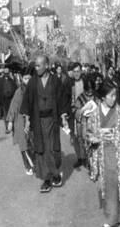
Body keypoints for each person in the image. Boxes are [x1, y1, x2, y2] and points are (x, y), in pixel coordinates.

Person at [84, 79, 120, 227]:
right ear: (102, 97)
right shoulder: (95, 114)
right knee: (110, 186)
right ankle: (115, 219)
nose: (114, 98)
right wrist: (92, 138)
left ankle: (113, 219)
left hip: (118, 152)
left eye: (115, 95)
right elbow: (88, 133)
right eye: (111, 96)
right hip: (103, 154)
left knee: (115, 185)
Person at [21, 54, 71, 193]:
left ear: (47, 65)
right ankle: (47, 179)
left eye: (39, 65)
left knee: (51, 148)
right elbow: (27, 102)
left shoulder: (55, 80)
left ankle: (55, 174)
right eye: (35, 65)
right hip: (38, 120)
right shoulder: (32, 82)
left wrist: (63, 117)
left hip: (52, 120)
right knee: (41, 149)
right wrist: (27, 121)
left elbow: (61, 100)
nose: (36, 68)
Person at [6, 66, 35, 176]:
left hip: (32, 120)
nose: (27, 80)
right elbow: (13, 107)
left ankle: (34, 163)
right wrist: (10, 121)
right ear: (22, 79)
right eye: (25, 78)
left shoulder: (34, 89)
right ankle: (28, 166)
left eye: (29, 78)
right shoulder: (19, 92)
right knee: (24, 146)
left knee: (33, 143)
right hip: (21, 121)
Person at [73, 77, 96, 169]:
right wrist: (83, 109)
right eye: (88, 89)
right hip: (83, 123)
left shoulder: (96, 97)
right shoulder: (80, 98)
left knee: (92, 142)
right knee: (81, 141)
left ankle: (91, 161)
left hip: (93, 123)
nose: (90, 92)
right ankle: (82, 159)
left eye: (91, 89)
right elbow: (75, 112)